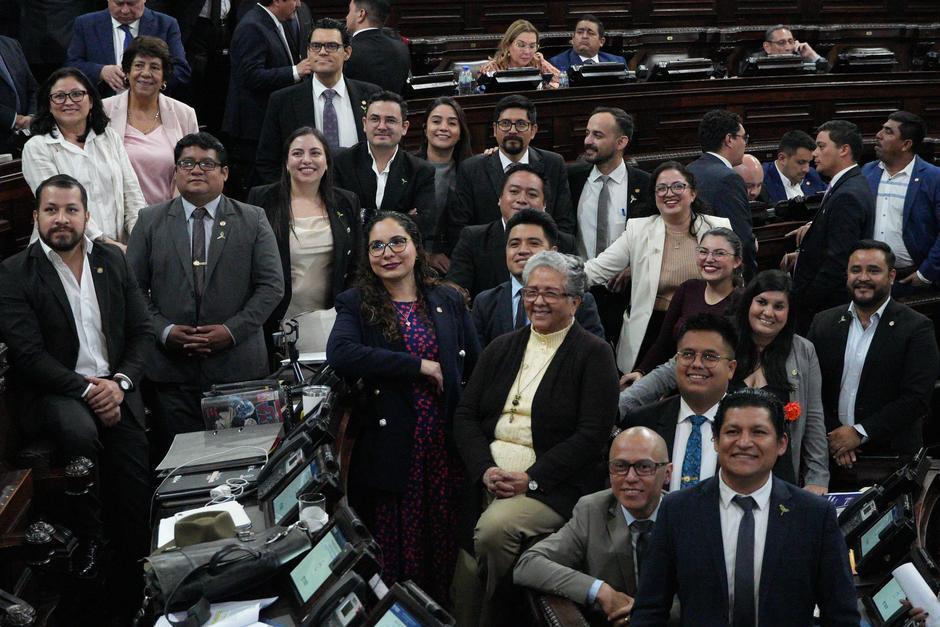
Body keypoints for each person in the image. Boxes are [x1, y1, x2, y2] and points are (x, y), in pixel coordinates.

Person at [0, 174, 152, 619]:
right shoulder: (13, 273)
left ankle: (137, 580)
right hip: (59, 390)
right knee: (80, 431)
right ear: (36, 217)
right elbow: (28, 356)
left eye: (71, 210)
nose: (61, 219)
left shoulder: (113, 260)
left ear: (87, 216)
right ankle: (88, 542)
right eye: (51, 210)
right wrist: (89, 389)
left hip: (115, 385)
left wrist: (119, 383)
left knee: (135, 485)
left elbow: (142, 334)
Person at [452, 250, 619, 627]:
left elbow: (592, 436)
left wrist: (532, 477)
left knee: (495, 531)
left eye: (551, 293)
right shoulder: (501, 347)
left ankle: (499, 617)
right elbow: (464, 416)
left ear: (575, 301)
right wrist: (484, 469)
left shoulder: (594, 355)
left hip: (550, 488)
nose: (538, 301)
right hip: (488, 478)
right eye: (530, 292)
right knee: (464, 574)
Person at [326, 211, 480, 603]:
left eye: (397, 242)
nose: (388, 253)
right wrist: (417, 366)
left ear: (416, 246)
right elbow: (340, 353)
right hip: (394, 449)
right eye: (377, 246)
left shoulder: (446, 298)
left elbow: (475, 366)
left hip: (445, 448)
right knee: (400, 555)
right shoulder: (357, 302)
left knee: (445, 545)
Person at [631, 389, 859, 626]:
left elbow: (841, 614)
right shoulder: (678, 510)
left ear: (781, 443)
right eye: (732, 431)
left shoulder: (814, 515)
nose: (744, 442)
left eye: (758, 432)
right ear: (716, 440)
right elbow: (649, 609)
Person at [126, 132, 283, 455]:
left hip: (238, 370)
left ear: (224, 172)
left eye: (207, 163)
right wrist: (164, 330)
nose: (196, 170)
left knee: (243, 466)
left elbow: (271, 286)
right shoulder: (150, 220)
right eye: (187, 163)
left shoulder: (252, 219)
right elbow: (132, 289)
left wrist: (230, 331)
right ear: (175, 171)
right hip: (172, 372)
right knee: (181, 468)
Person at [622, 271, 830, 493]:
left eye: (779, 306)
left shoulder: (803, 351)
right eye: (761, 302)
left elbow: (814, 418)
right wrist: (618, 405)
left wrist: (817, 478)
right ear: (749, 303)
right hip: (718, 467)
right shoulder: (721, 339)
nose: (768, 312)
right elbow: (669, 372)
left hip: (779, 473)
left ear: (789, 313)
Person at [513, 427, 671, 624]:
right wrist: (600, 591)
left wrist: (645, 614)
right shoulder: (592, 510)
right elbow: (528, 564)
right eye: (620, 466)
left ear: (667, 473)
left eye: (644, 467)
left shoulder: (687, 516)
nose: (630, 477)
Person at [584, 161, 731, 373]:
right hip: (650, 330)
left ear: (693, 193)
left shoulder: (718, 227)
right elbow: (596, 270)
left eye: (678, 186)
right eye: (661, 188)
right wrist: (552, 278)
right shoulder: (639, 229)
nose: (669, 193)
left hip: (704, 330)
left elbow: (735, 279)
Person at [808, 240, 939, 466]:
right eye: (856, 270)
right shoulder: (823, 323)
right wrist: (837, 437)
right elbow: (809, 388)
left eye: (874, 270)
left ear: (891, 276)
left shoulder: (917, 328)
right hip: (828, 454)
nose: (863, 278)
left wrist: (858, 434)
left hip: (891, 460)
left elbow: (916, 399)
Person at [247, 126, 361, 352]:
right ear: (286, 162)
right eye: (297, 153)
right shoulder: (261, 199)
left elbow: (357, 263)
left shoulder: (346, 202)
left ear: (327, 161)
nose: (306, 160)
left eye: (315, 153)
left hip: (331, 319)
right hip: (275, 318)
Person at [23, 68, 146, 249]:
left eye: (76, 94)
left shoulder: (109, 137)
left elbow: (133, 194)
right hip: (65, 250)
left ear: (91, 102)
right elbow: (60, 208)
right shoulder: (37, 147)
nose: (69, 101)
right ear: (48, 105)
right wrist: (107, 244)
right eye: (59, 96)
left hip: (121, 248)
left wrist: (139, 241)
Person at [438, 95, 575, 256]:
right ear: (495, 130)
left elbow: (564, 222)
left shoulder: (554, 163)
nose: (512, 130)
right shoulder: (471, 168)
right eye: (505, 124)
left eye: (521, 124)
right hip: (487, 262)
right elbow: (459, 227)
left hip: (542, 260)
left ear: (533, 130)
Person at [255, 17, 383, 183]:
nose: (323, 52)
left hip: (361, 196)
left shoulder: (371, 95)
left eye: (331, 46)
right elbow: (267, 162)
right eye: (316, 46)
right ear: (308, 52)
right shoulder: (282, 101)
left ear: (347, 52)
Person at [622, 313, 737, 492]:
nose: (697, 364)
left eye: (709, 357)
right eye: (688, 354)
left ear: (731, 368)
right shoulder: (643, 423)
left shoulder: (752, 427)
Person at [783, 119, 875, 333]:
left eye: (821, 146)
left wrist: (805, 299)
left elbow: (839, 261)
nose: (814, 153)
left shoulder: (848, 194)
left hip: (825, 310)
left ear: (844, 150)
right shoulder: (846, 185)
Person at [569, 106, 651, 343]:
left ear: (621, 142)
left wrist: (632, 268)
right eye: (587, 133)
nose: (588, 141)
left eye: (598, 135)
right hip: (579, 290)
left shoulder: (644, 184)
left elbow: (654, 236)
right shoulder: (571, 178)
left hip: (624, 294)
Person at [472, 208, 604, 346]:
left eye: (534, 243)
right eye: (514, 244)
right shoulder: (485, 303)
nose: (522, 250)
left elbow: (594, 358)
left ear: (553, 253)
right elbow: (478, 363)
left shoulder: (579, 301)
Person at [626, 227, 742, 383]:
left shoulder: (744, 301)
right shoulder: (688, 289)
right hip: (675, 377)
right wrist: (641, 371)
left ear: (737, 261)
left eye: (719, 253)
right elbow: (664, 343)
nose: (709, 259)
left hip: (717, 384)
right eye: (703, 252)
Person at [222, 0, 312, 194]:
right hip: (251, 132)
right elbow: (249, 76)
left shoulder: (274, 23)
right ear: (278, 1)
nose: (298, 4)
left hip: (266, 128)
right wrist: (295, 71)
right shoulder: (252, 26)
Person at [102, 36, 199, 206]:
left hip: (168, 219)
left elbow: (192, 172)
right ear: (127, 71)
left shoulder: (185, 114)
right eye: (139, 65)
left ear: (164, 77)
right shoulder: (103, 111)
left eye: (154, 67)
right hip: (116, 216)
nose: (145, 73)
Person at [448, 164, 564, 299]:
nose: (521, 200)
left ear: (544, 205)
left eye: (532, 194)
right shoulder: (473, 238)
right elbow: (454, 294)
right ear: (500, 198)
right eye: (514, 192)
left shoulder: (563, 243)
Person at [332, 91, 436, 234]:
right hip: (354, 252)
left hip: (399, 252)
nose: (381, 126)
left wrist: (363, 214)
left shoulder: (421, 170)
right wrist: (402, 216)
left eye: (390, 120)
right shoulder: (341, 162)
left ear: (404, 127)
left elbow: (424, 224)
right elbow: (338, 216)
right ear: (364, 124)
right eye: (375, 119)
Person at [863, 111, 940, 294]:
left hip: (911, 280)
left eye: (888, 132)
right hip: (869, 278)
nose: (878, 135)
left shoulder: (933, 178)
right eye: (882, 129)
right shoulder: (868, 171)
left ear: (906, 144)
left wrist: (925, 274)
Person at [66, 0, 191, 97]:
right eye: (119, 3)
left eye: (132, 3)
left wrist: (150, 78)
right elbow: (71, 66)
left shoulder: (166, 25)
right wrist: (101, 72)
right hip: (99, 108)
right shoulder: (86, 24)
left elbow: (181, 71)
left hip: (151, 108)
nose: (125, 10)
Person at [686, 109, 756, 277]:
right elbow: (740, 240)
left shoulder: (687, 170)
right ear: (729, 139)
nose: (746, 144)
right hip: (720, 277)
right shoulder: (729, 178)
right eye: (743, 137)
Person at [414, 96, 473, 266]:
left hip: (457, 261)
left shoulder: (472, 170)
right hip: (413, 259)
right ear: (425, 129)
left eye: (452, 123)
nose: (443, 128)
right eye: (436, 121)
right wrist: (425, 256)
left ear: (461, 132)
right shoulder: (406, 166)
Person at [343, 0, 410, 94]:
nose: (346, 17)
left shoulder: (346, 51)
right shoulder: (402, 48)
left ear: (361, 14)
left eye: (350, 11)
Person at [478, 20, 561, 88]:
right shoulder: (492, 68)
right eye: (521, 45)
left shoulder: (541, 64)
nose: (527, 51)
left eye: (532, 46)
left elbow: (562, 82)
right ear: (508, 45)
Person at [762, 130, 827, 203]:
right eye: (801, 162)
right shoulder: (762, 180)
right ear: (782, 158)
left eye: (809, 162)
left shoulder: (812, 175)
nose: (806, 169)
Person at [548, 14, 627, 72]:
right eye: (580, 32)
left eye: (590, 33)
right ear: (573, 39)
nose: (584, 36)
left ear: (601, 41)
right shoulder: (556, 64)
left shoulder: (618, 62)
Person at [0, 35, 37, 154]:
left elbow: (33, 87)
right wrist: (13, 119)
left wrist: (32, 115)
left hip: (25, 137)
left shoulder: (10, 44)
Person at [759, 25, 828, 71]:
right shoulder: (756, 66)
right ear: (767, 47)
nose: (788, 48)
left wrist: (812, 55)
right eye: (781, 42)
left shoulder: (803, 63)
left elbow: (827, 74)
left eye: (791, 41)